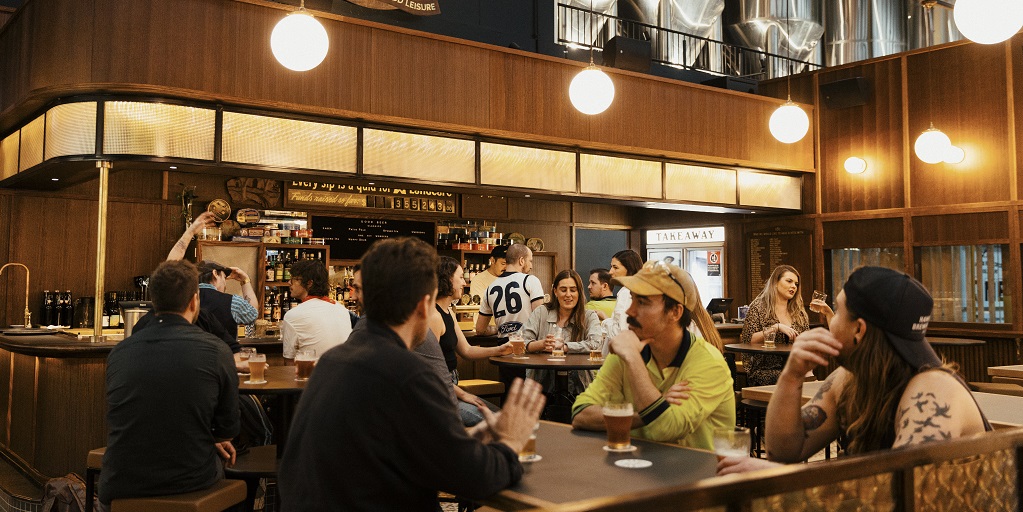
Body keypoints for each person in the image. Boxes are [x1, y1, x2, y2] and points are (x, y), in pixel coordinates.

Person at [279, 238, 545, 511]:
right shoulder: (408, 374)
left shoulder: (332, 361)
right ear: (423, 305)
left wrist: (464, 442)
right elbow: (476, 480)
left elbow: (402, 452)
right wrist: (510, 442)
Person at [718, 267, 991, 475]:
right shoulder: (848, 379)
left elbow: (901, 491)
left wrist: (783, 478)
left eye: (837, 311)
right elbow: (785, 451)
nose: (831, 321)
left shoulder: (932, 392)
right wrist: (791, 376)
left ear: (859, 329)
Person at [100, 260, 239, 508]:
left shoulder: (119, 352)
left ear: (154, 301)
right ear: (194, 301)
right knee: (227, 469)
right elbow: (227, 429)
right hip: (190, 481)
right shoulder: (217, 351)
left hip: (118, 484)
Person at [572, 260, 734, 450]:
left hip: (702, 468)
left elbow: (665, 429)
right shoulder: (626, 350)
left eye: (642, 302)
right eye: (632, 299)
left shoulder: (708, 362)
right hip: (635, 465)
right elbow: (581, 414)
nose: (630, 311)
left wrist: (633, 358)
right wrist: (647, 413)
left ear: (675, 312)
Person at [431, 256, 511, 426]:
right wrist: (463, 394)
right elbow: (431, 373)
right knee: (500, 424)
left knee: (504, 418)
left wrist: (499, 350)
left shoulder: (448, 312)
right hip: (440, 393)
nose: (463, 282)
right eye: (460, 277)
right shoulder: (434, 317)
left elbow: (467, 350)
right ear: (446, 279)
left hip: (451, 387)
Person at [522, 269, 602, 396]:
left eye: (573, 290)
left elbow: (596, 344)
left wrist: (564, 347)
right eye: (563, 290)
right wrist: (541, 344)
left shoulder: (589, 316)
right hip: (540, 389)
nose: (568, 294)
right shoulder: (541, 312)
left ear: (579, 292)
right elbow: (522, 341)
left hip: (580, 389)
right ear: (555, 291)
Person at [739, 265, 816, 386]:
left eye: (796, 284)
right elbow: (749, 340)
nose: (793, 286)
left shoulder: (798, 311)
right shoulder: (758, 307)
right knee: (800, 379)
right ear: (775, 283)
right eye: (789, 281)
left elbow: (807, 341)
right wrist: (775, 328)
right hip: (765, 369)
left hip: (794, 366)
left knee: (809, 377)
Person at [281, 259, 353, 364]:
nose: (289, 283)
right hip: (345, 372)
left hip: (313, 373)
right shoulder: (342, 310)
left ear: (309, 283)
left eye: (294, 279)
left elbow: (289, 362)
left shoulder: (293, 315)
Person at [475, 243, 545, 337]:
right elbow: (540, 319)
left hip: (503, 344)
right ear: (521, 261)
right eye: (530, 261)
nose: (531, 266)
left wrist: (499, 329)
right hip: (527, 343)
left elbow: (480, 330)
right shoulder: (530, 280)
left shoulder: (490, 288)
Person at [196, 260, 259, 343]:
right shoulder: (233, 302)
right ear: (215, 274)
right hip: (224, 350)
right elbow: (252, 314)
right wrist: (245, 280)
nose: (225, 284)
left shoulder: (184, 299)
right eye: (224, 277)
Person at [601, 249, 643, 355]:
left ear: (629, 268)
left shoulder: (626, 292)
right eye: (611, 267)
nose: (610, 272)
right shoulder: (634, 289)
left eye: (615, 267)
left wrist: (605, 321)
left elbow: (622, 332)